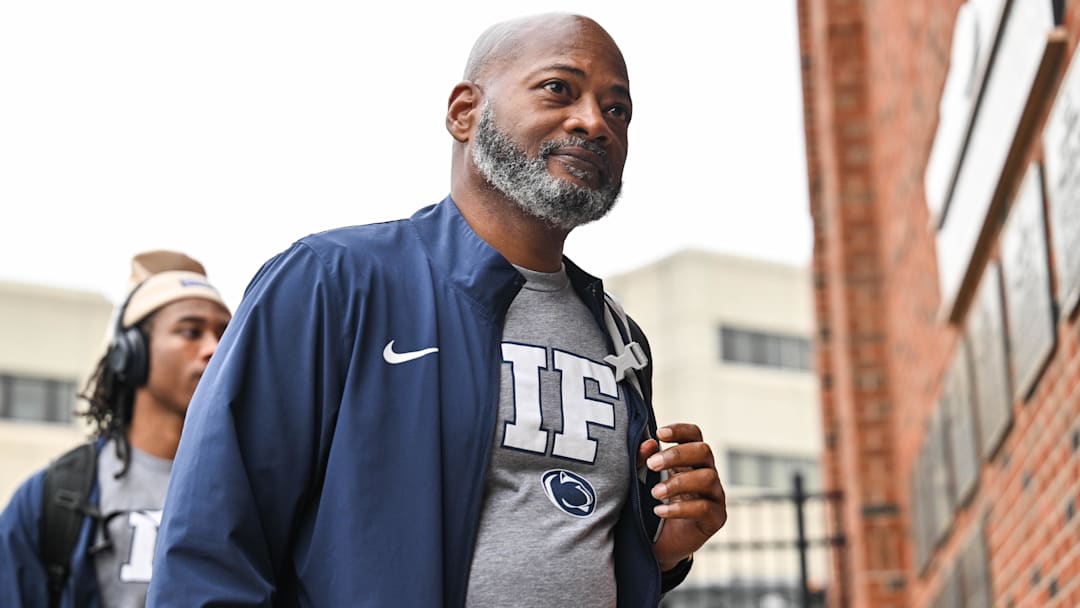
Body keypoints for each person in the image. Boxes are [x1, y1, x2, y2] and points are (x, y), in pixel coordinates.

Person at [149, 12, 727, 607]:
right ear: (463, 112)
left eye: (617, 109)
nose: (593, 122)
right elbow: (212, 546)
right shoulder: (331, 280)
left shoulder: (617, 335)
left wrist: (661, 550)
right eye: (559, 88)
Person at [0, 250, 232, 607]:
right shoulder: (53, 497)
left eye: (225, 335)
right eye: (191, 332)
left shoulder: (250, 488)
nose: (214, 349)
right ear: (131, 353)